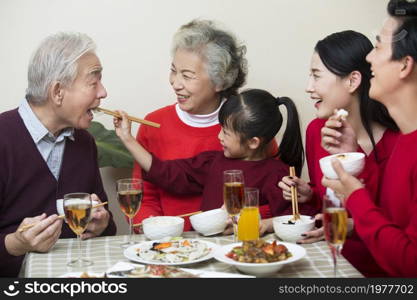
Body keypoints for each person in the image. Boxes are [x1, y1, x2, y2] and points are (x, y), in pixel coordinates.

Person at [278, 30, 399, 276]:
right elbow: (332, 204)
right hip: (327, 261)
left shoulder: (399, 142)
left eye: (316, 76)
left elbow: (389, 225)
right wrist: (310, 194)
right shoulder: (317, 131)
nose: (308, 87)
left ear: (353, 81)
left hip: (378, 272)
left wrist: (355, 155)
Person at [0, 32, 117, 277]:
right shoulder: (3, 138)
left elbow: (106, 225)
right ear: (57, 92)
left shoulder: (84, 141)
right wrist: (16, 244)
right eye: (93, 82)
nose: (103, 92)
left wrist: (102, 223)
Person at [115, 89, 316, 227]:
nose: (219, 136)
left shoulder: (277, 175)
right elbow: (167, 172)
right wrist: (127, 138)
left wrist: (251, 217)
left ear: (253, 142)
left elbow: (292, 219)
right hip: (208, 249)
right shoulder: (214, 162)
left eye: (226, 133)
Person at [322, 0, 417, 277]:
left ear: (404, 65)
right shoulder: (405, 141)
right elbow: (392, 224)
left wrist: (355, 197)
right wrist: (355, 158)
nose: (368, 59)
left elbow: (409, 264)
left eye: (377, 47)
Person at [131, 19, 251, 231]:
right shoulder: (152, 123)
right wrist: (155, 230)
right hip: (168, 245)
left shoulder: (248, 125)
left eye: (187, 76)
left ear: (220, 81)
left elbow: (270, 192)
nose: (176, 83)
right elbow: (143, 197)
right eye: (174, 71)